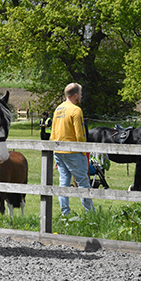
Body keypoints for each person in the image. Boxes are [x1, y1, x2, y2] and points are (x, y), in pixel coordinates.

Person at [50, 82, 94, 214]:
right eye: (80, 94)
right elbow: (80, 134)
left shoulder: (58, 109)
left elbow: (53, 133)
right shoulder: (76, 110)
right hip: (73, 151)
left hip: (59, 151)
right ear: (75, 95)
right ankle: (90, 213)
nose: (81, 96)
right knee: (83, 182)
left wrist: (55, 153)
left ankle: (65, 213)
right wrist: (83, 151)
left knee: (63, 182)